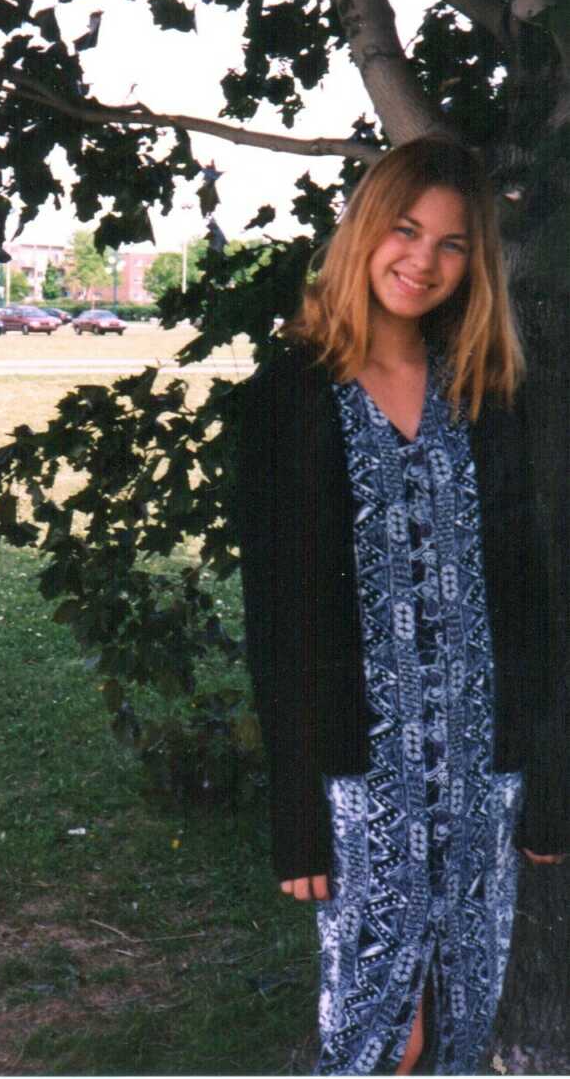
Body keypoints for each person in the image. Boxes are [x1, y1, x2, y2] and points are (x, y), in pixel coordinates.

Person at [237, 138, 566, 1076]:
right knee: (379, 1036)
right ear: (364, 230)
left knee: (457, 1031)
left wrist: (546, 776)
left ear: (475, 266)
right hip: (362, 786)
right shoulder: (287, 401)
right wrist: (299, 806)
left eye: (454, 243)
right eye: (406, 228)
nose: (423, 259)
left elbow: (530, 602)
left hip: (479, 780)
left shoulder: (485, 394)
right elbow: (281, 622)